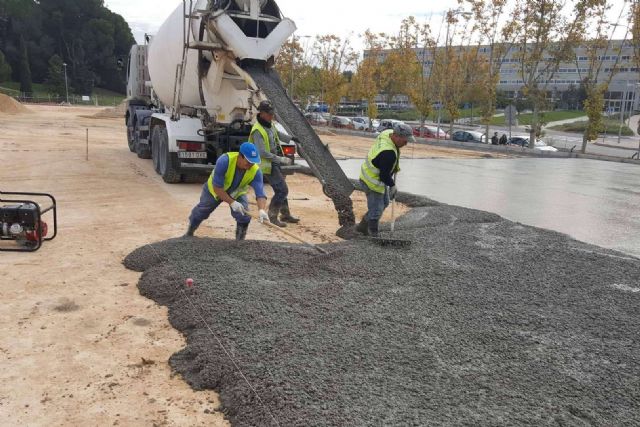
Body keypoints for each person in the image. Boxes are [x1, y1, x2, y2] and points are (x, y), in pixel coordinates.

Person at [185, 142, 270, 241]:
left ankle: (239, 242)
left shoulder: (255, 171)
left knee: (243, 216)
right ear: (240, 156)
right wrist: (232, 203)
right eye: (248, 162)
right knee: (202, 211)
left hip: (236, 192)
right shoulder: (225, 161)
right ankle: (189, 233)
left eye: (253, 162)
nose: (251, 165)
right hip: (215, 190)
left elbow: (260, 194)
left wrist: (261, 210)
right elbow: (217, 188)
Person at [357, 123, 414, 237]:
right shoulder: (388, 153)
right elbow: (384, 176)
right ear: (397, 137)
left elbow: (385, 171)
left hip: (371, 175)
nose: (406, 143)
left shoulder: (386, 134)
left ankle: (362, 226)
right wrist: (392, 185)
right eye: (405, 140)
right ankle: (372, 233)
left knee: (385, 203)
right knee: (377, 209)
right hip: (372, 182)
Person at [249, 100, 299, 228]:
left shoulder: (269, 124)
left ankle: (285, 214)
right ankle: (272, 216)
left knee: (281, 188)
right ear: (262, 113)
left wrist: (291, 138)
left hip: (273, 162)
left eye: (272, 113)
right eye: (270, 114)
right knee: (282, 190)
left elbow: (278, 134)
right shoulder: (257, 130)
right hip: (266, 165)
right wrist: (281, 159)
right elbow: (261, 152)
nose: (272, 116)